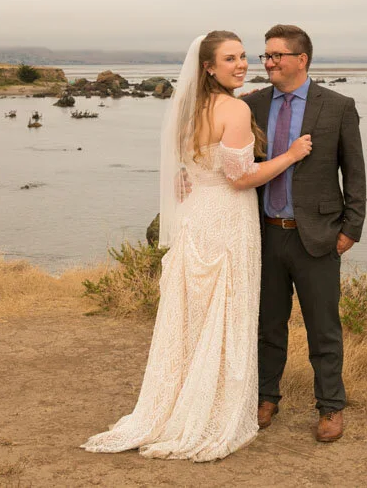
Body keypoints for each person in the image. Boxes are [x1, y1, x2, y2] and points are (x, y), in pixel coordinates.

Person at [80, 31, 312, 462]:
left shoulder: (187, 109)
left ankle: (175, 404)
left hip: (195, 218)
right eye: (230, 59)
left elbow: (184, 173)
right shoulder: (236, 109)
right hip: (228, 218)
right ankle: (214, 409)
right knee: (225, 313)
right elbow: (241, 177)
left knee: (193, 316)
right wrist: (291, 155)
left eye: (244, 56)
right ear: (208, 66)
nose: (242, 64)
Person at [242, 24, 366, 443]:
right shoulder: (251, 105)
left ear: (302, 60)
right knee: (267, 324)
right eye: (266, 55)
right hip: (264, 234)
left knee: (323, 328)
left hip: (317, 237)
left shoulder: (338, 106)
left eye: (276, 55)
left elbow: (355, 172)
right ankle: (265, 397)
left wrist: (352, 228)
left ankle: (330, 406)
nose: (268, 63)